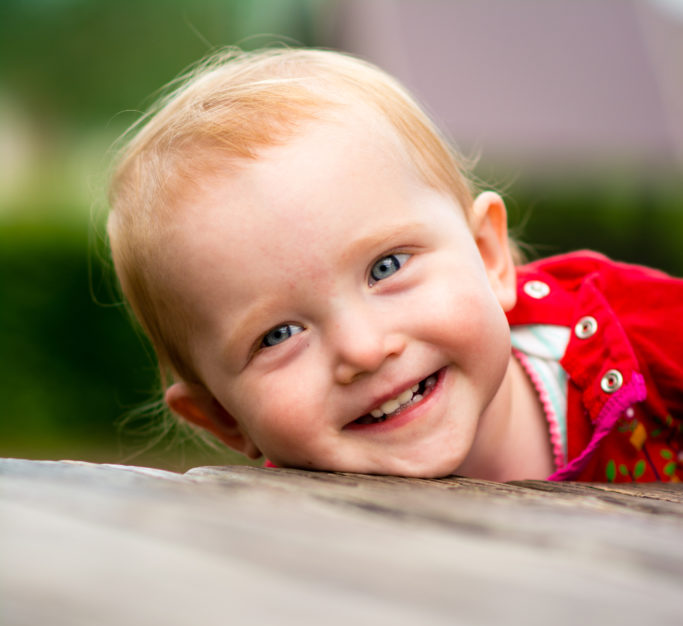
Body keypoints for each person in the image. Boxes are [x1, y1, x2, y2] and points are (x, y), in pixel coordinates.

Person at [107, 47, 683, 483]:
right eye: (279, 335)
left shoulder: (634, 331)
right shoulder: (284, 548)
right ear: (222, 418)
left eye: (386, 268)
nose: (362, 348)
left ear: (489, 256)